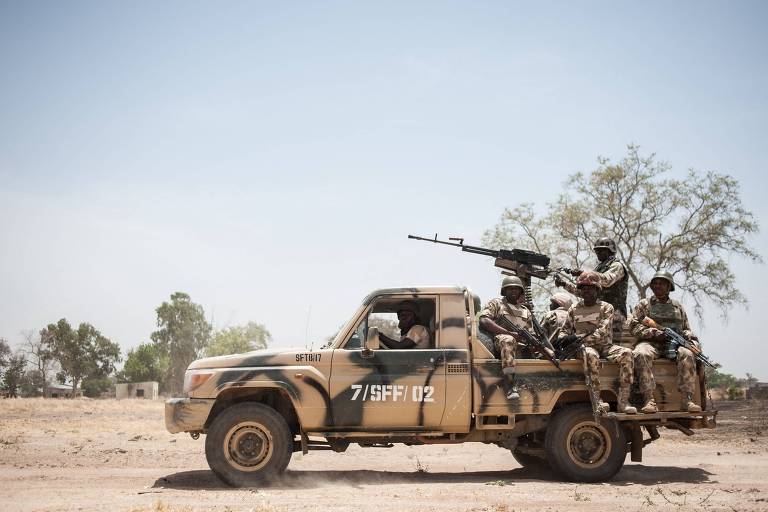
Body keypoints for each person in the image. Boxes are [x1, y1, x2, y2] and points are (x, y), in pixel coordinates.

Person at [558, 271, 637, 414]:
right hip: (584, 348)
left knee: (627, 353)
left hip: (604, 346)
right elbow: (564, 331)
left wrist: (577, 337)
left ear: (597, 289)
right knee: (590, 355)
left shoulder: (606, 307)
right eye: (583, 288)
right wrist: (565, 339)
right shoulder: (573, 309)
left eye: (590, 287)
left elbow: (602, 332)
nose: (586, 290)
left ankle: (623, 402)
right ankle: (597, 401)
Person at [629, 271, 702, 413]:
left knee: (687, 353)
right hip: (651, 343)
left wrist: (687, 336)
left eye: (661, 283)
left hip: (674, 344)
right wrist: (654, 333)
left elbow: (686, 328)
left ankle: (687, 400)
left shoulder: (677, 307)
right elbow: (633, 326)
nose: (657, 286)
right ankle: (649, 399)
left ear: (669, 286)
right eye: (655, 283)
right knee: (640, 353)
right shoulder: (644, 304)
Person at [556, 237, 629, 344]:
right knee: (592, 344)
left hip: (615, 314)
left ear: (610, 251)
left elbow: (608, 280)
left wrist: (587, 274)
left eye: (601, 250)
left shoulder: (617, 266)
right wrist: (564, 284)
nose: (598, 253)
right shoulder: (599, 268)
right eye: (596, 251)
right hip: (597, 312)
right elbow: (584, 292)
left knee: (610, 345)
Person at [479, 276, 541, 400]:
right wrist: (510, 333)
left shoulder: (525, 311)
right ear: (504, 291)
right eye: (510, 288)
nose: (513, 291)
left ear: (520, 291)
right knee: (508, 340)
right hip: (502, 342)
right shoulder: (496, 303)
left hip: (522, 345)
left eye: (516, 288)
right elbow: (484, 320)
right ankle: (509, 385)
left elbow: (531, 332)